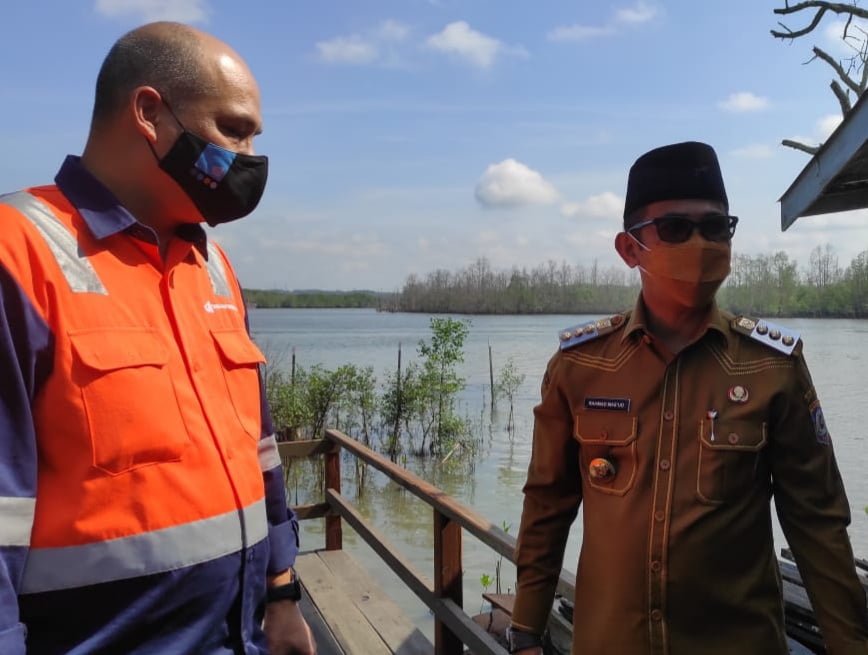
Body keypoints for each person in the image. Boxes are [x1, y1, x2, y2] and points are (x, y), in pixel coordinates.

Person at [0, 22, 316, 655]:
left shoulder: (214, 268)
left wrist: (281, 595)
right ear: (149, 113)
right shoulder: (18, 254)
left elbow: (260, 454)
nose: (251, 157)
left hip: (243, 637)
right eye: (233, 129)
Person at [507, 141, 868, 655]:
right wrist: (525, 627)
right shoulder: (581, 366)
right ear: (630, 249)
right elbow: (547, 504)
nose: (700, 242)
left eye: (716, 227)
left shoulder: (771, 367)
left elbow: (818, 523)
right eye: (676, 228)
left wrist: (850, 644)